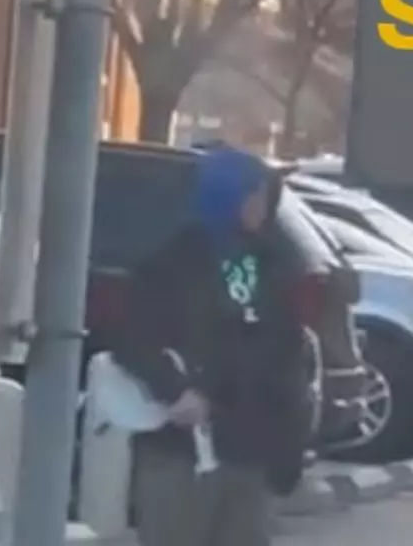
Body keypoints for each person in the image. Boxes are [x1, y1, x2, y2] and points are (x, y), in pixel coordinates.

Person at [109, 144, 310, 546]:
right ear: (227, 197)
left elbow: (286, 349)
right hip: (184, 448)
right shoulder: (173, 262)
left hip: (250, 445)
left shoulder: (271, 263)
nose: (260, 206)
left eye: (265, 197)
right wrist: (175, 389)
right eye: (253, 195)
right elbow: (133, 339)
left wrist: (289, 445)